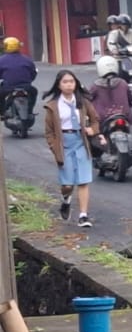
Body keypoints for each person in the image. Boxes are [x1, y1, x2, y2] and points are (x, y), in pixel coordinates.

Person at [43, 69, 98, 228]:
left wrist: (92, 130)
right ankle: (66, 200)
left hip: (81, 141)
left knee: (83, 181)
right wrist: (54, 147)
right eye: (65, 82)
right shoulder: (53, 106)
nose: (69, 85)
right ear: (59, 85)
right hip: (64, 143)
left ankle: (83, 215)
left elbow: (95, 120)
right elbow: (49, 132)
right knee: (67, 184)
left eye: (71, 81)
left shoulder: (83, 102)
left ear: (76, 83)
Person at [0, 36, 37, 114]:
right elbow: (33, 73)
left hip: (8, 87)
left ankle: (2, 113)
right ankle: (30, 111)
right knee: (34, 92)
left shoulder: (1, 60)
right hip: (26, 87)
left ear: (6, 47)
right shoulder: (27, 59)